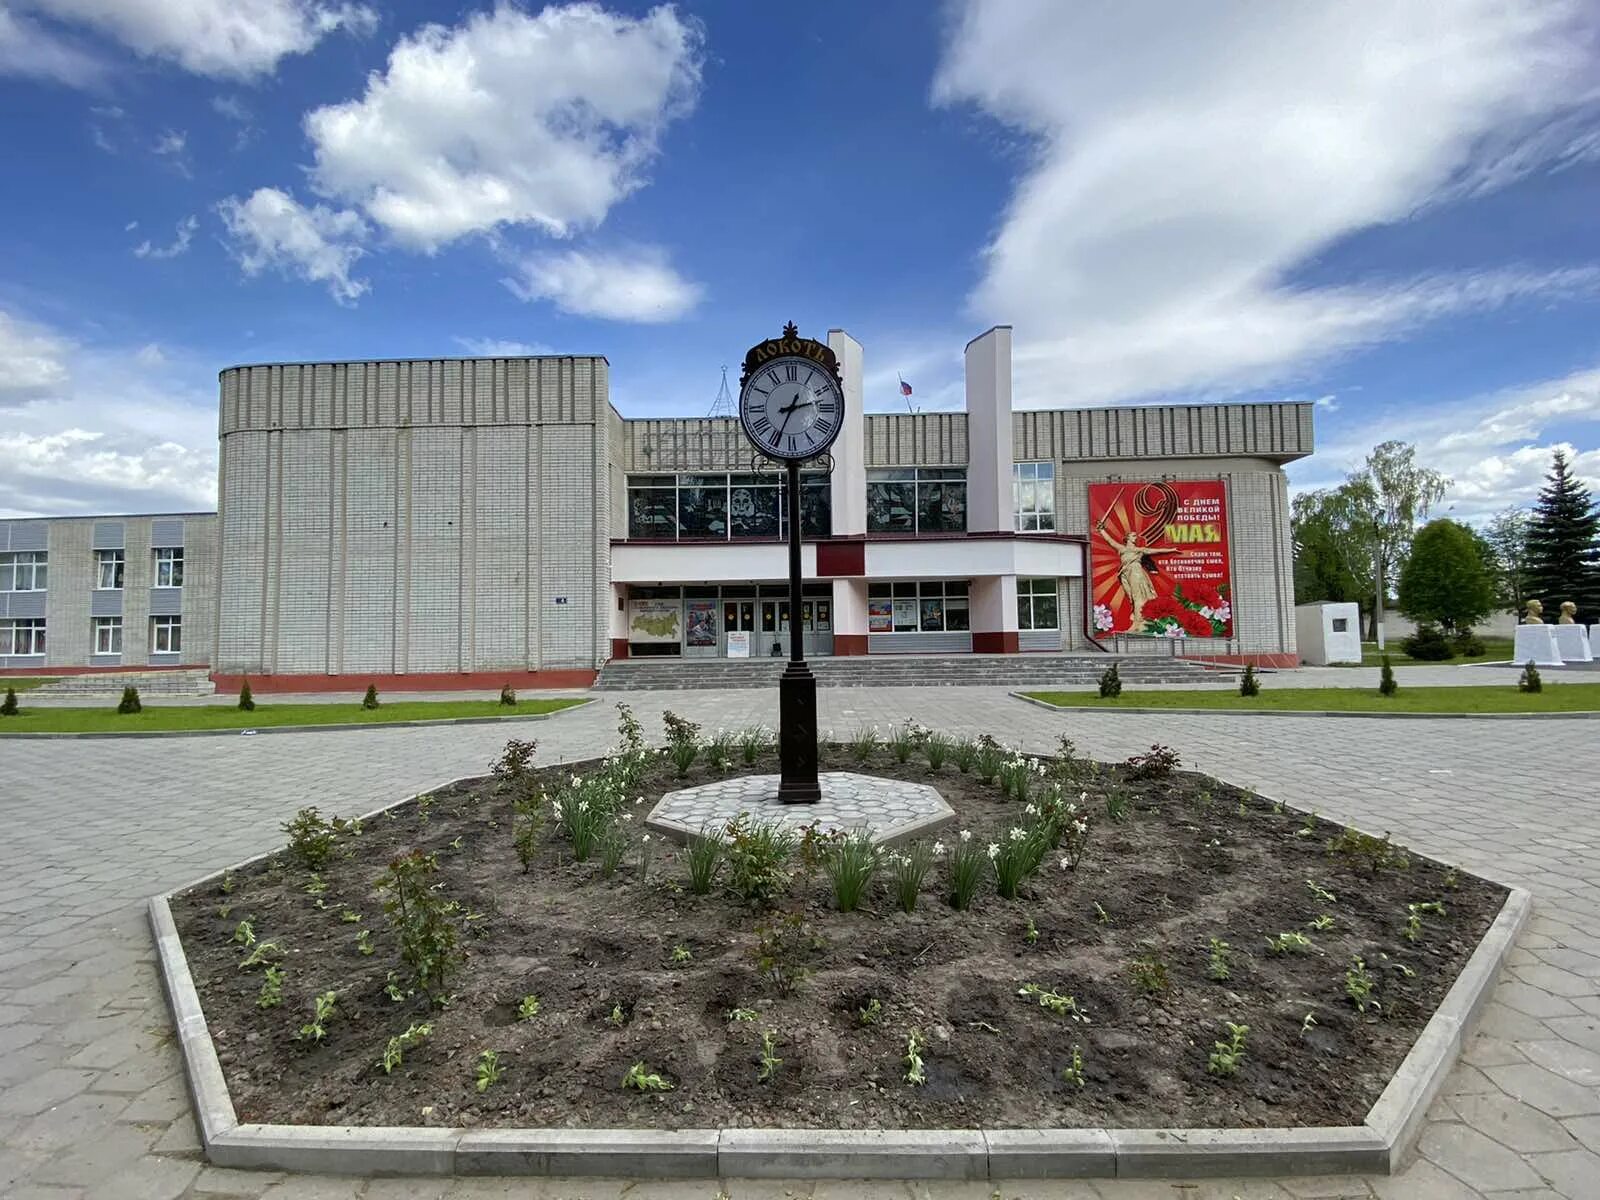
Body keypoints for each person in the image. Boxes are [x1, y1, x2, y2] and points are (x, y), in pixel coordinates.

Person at [1099, 525, 1180, 631]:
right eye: (1133, 536)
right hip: (1125, 574)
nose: (1136, 537)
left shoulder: (1139, 550)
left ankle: (1138, 624)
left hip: (1136, 572)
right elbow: (1110, 540)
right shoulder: (1121, 548)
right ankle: (1141, 621)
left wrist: (1172, 549)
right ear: (1127, 538)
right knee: (1133, 597)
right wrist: (1101, 530)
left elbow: (1155, 551)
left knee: (1138, 597)